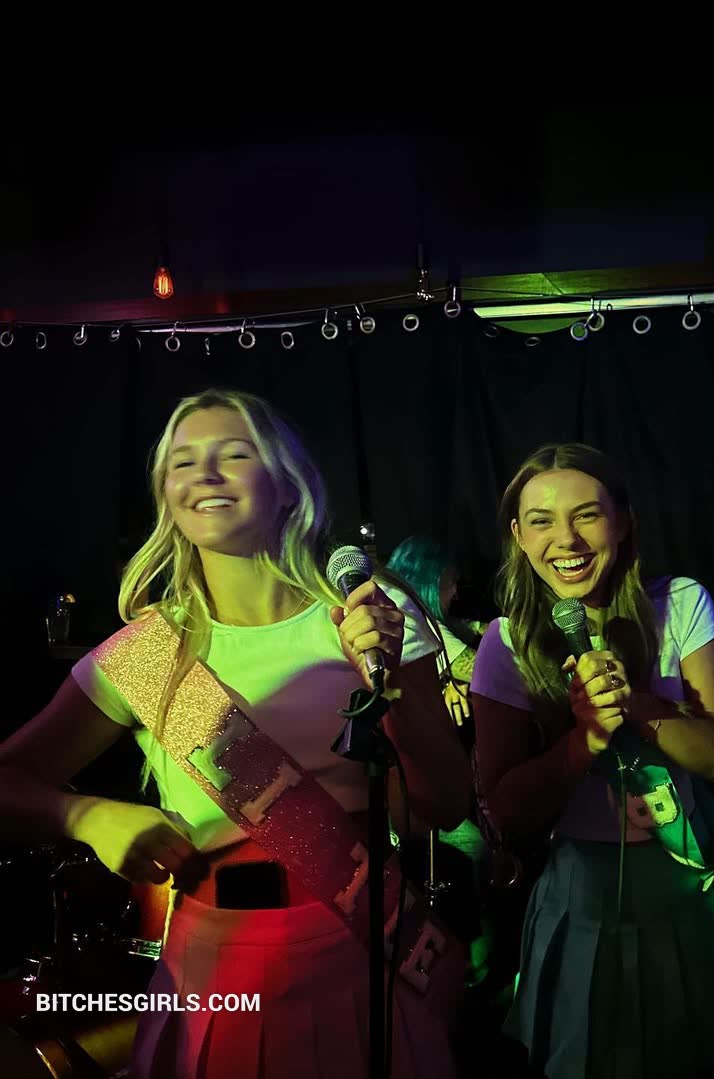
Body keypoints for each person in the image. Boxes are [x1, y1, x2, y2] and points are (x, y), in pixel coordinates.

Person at [0, 388, 471, 1079]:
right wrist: (83, 815)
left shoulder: (371, 615)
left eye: (235, 454)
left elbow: (443, 806)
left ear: (288, 484)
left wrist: (390, 685)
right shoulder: (148, 654)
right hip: (216, 970)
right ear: (166, 495)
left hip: (365, 949)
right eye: (183, 462)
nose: (206, 474)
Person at [471, 443, 714, 1079]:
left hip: (686, 887)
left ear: (622, 522)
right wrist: (583, 740)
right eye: (541, 521)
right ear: (518, 536)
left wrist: (637, 703)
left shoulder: (681, 604)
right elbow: (506, 812)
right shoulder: (505, 644)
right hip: (582, 899)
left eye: (587, 515)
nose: (566, 540)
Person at [385, 535, 488, 728]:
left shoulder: (398, 613)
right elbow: (489, 674)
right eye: (450, 581)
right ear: (430, 581)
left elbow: (467, 626)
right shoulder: (418, 623)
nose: (455, 592)